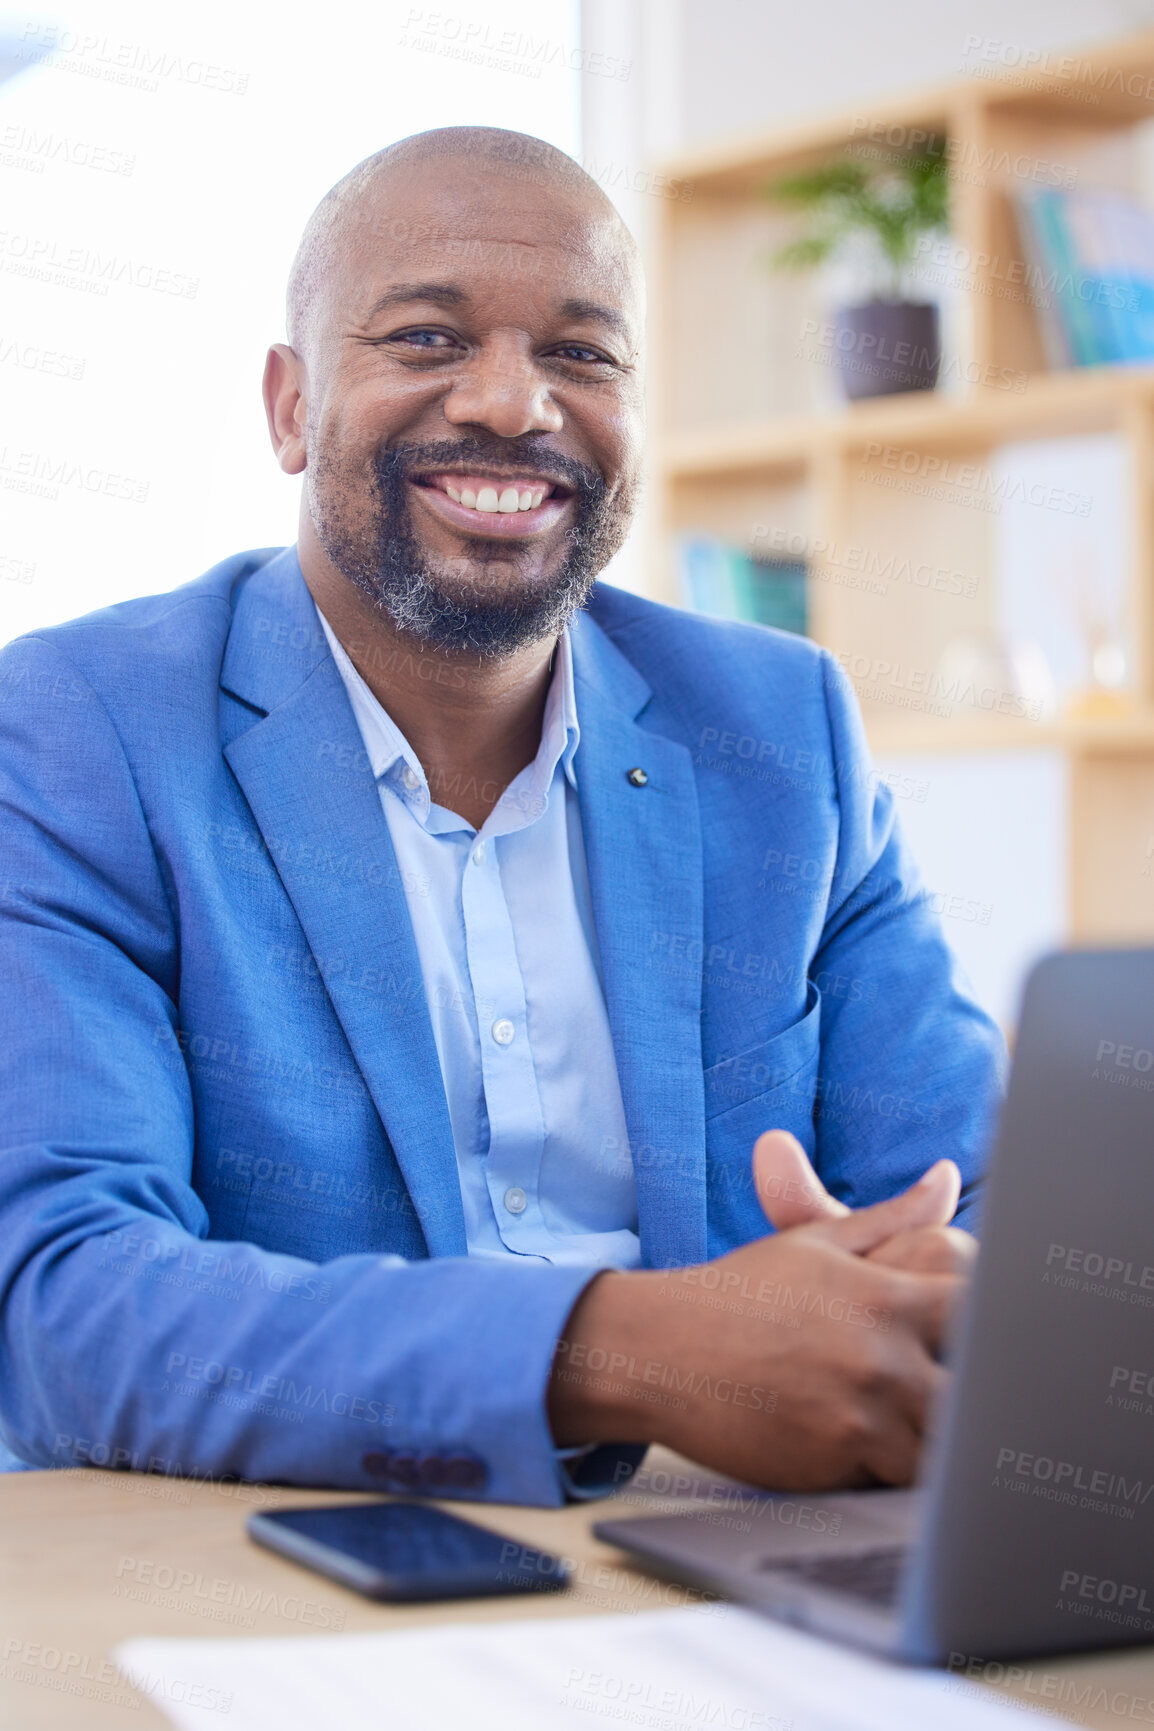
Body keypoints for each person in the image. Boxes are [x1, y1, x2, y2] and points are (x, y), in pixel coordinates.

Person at [0, 128, 1003, 1503]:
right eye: (424, 339)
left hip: (745, 1552)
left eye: (582, 355)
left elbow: (989, 1208)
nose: (511, 403)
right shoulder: (76, 731)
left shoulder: (780, 733)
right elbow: (60, 1310)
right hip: (297, 1570)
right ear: (290, 407)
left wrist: (950, 1302)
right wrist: (631, 1353)